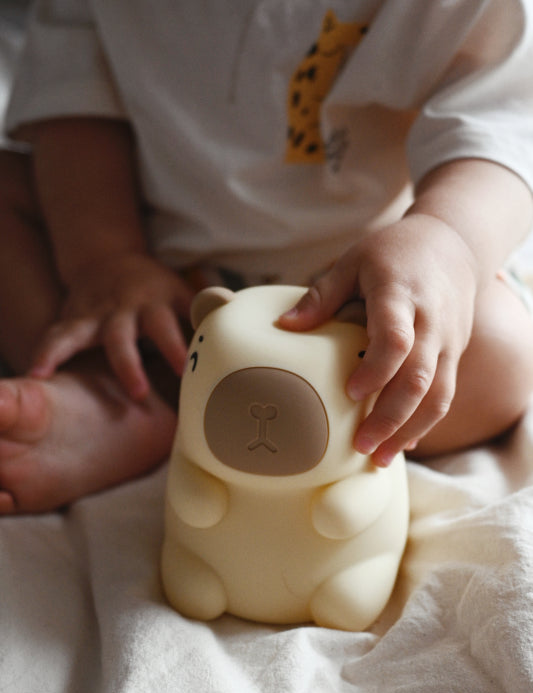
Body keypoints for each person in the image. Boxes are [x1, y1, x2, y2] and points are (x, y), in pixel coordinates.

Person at [1, 0, 533, 514]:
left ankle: (227, 415)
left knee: (501, 350)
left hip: (351, 304)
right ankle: (118, 392)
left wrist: (445, 239)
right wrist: (105, 259)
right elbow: (75, 105)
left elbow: (502, 119)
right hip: (150, 283)